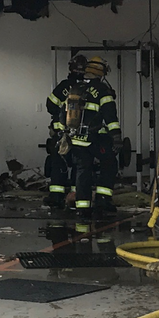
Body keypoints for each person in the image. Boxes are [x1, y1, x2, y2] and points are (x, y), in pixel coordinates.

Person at [46, 54, 120, 230]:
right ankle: (103, 200)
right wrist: (116, 137)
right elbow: (110, 116)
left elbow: (60, 112)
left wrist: (61, 132)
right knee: (110, 163)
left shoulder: (75, 88)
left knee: (82, 171)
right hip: (95, 139)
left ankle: (83, 208)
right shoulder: (102, 90)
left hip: (75, 139)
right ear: (101, 73)